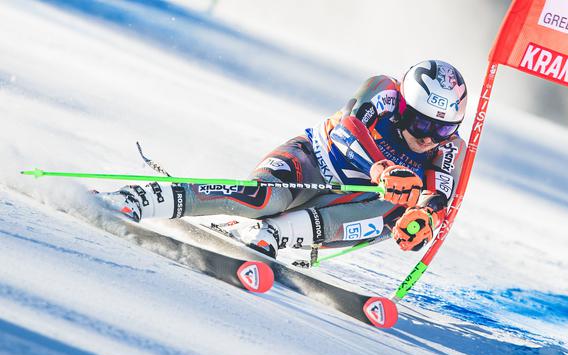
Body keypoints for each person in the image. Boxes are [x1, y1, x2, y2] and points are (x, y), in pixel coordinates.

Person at [99, 59, 468, 259]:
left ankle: (274, 235)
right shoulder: (383, 91)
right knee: (264, 199)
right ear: (404, 106)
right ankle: (144, 197)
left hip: (346, 200)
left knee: (393, 213)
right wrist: (380, 168)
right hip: (312, 161)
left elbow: (438, 193)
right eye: (422, 122)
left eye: (441, 130)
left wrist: (425, 217)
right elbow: (348, 130)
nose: (427, 138)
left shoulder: (449, 146)